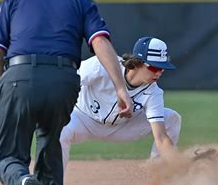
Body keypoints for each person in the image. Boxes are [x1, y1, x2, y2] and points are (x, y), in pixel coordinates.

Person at [0, 0, 132, 185]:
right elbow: (100, 42)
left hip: (20, 76)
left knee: (8, 158)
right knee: (51, 142)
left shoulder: (14, 0)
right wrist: (121, 88)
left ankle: (22, 181)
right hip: (64, 80)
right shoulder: (81, 3)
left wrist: (6, 82)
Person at [60, 37, 181, 170]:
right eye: (154, 67)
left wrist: (179, 164)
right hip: (83, 119)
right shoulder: (100, 65)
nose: (159, 73)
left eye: (162, 69)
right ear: (137, 62)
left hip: (121, 127)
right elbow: (66, 81)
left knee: (171, 118)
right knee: (60, 130)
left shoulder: (153, 92)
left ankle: (157, 172)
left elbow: (162, 139)